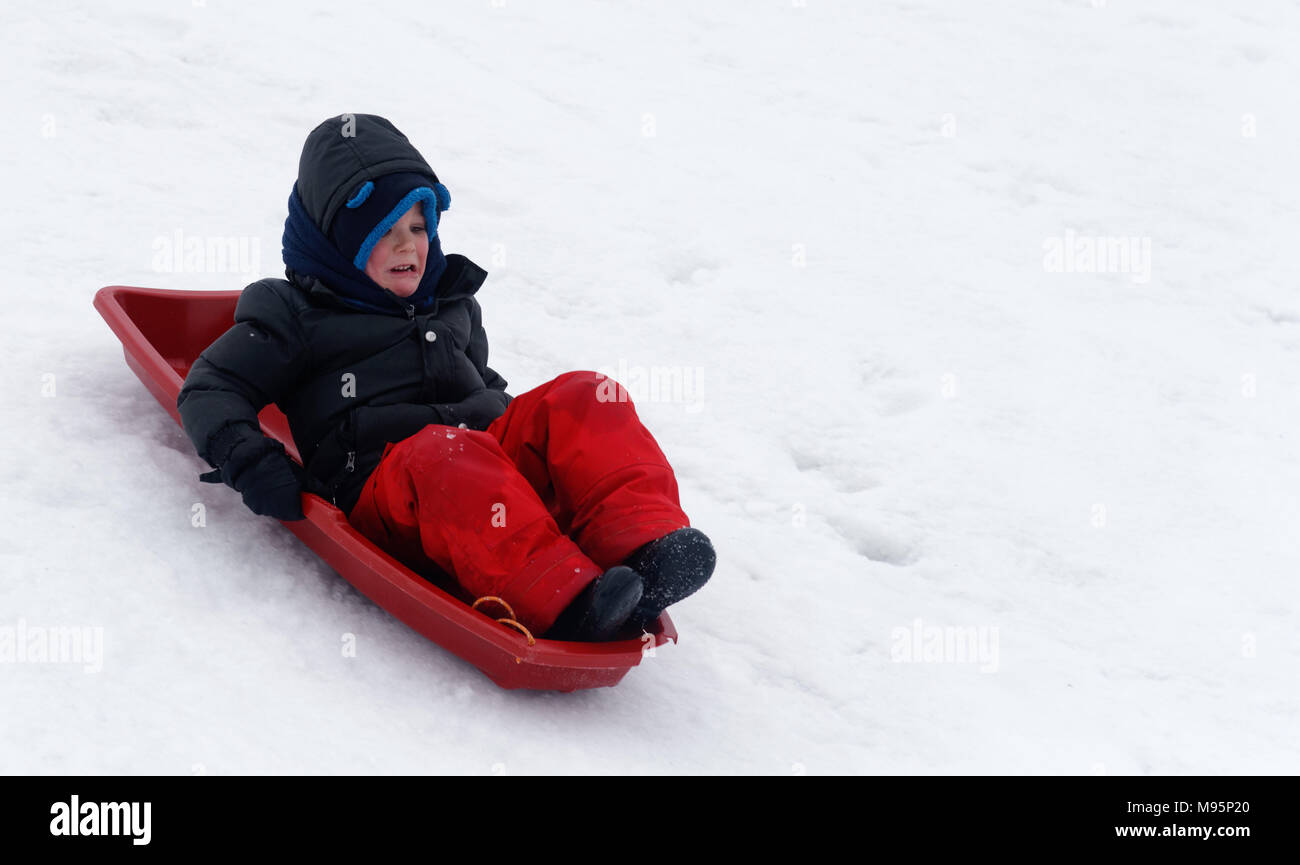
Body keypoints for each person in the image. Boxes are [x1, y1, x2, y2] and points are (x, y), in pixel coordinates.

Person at [176, 114, 715, 641]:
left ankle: (641, 548)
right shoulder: (292, 313)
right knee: (445, 452)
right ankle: (565, 602)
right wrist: (249, 458)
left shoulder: (450, 299)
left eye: (418, 226)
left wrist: (530, 441)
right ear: (338, 246)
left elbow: (482, 383)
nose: (409, 245)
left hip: (477, 468)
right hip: (385, 492)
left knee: (584, 393)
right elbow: (209, 386)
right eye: (384, 233)